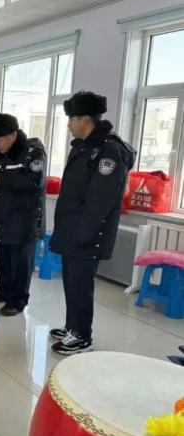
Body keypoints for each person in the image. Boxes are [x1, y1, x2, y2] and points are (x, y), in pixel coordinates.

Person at [49, 91, 135, 355]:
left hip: (87, 234)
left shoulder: (109, 151)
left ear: (85, 119)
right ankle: (72, 327)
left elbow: (101, 200)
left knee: (80, 285)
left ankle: (82, 336)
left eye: (71, 119)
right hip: (73, 230)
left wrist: (83, 234)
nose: (68, 124)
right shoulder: (84, 146)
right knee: (71, 282)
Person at [0, 114, 46, 316]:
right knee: (4, 259)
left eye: (0, 140)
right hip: (3, 216)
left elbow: (33, 183)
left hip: (23, 219)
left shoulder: (33, 153)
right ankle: (4, 290)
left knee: (21, 261)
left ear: (13, 135)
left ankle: (18, 300)